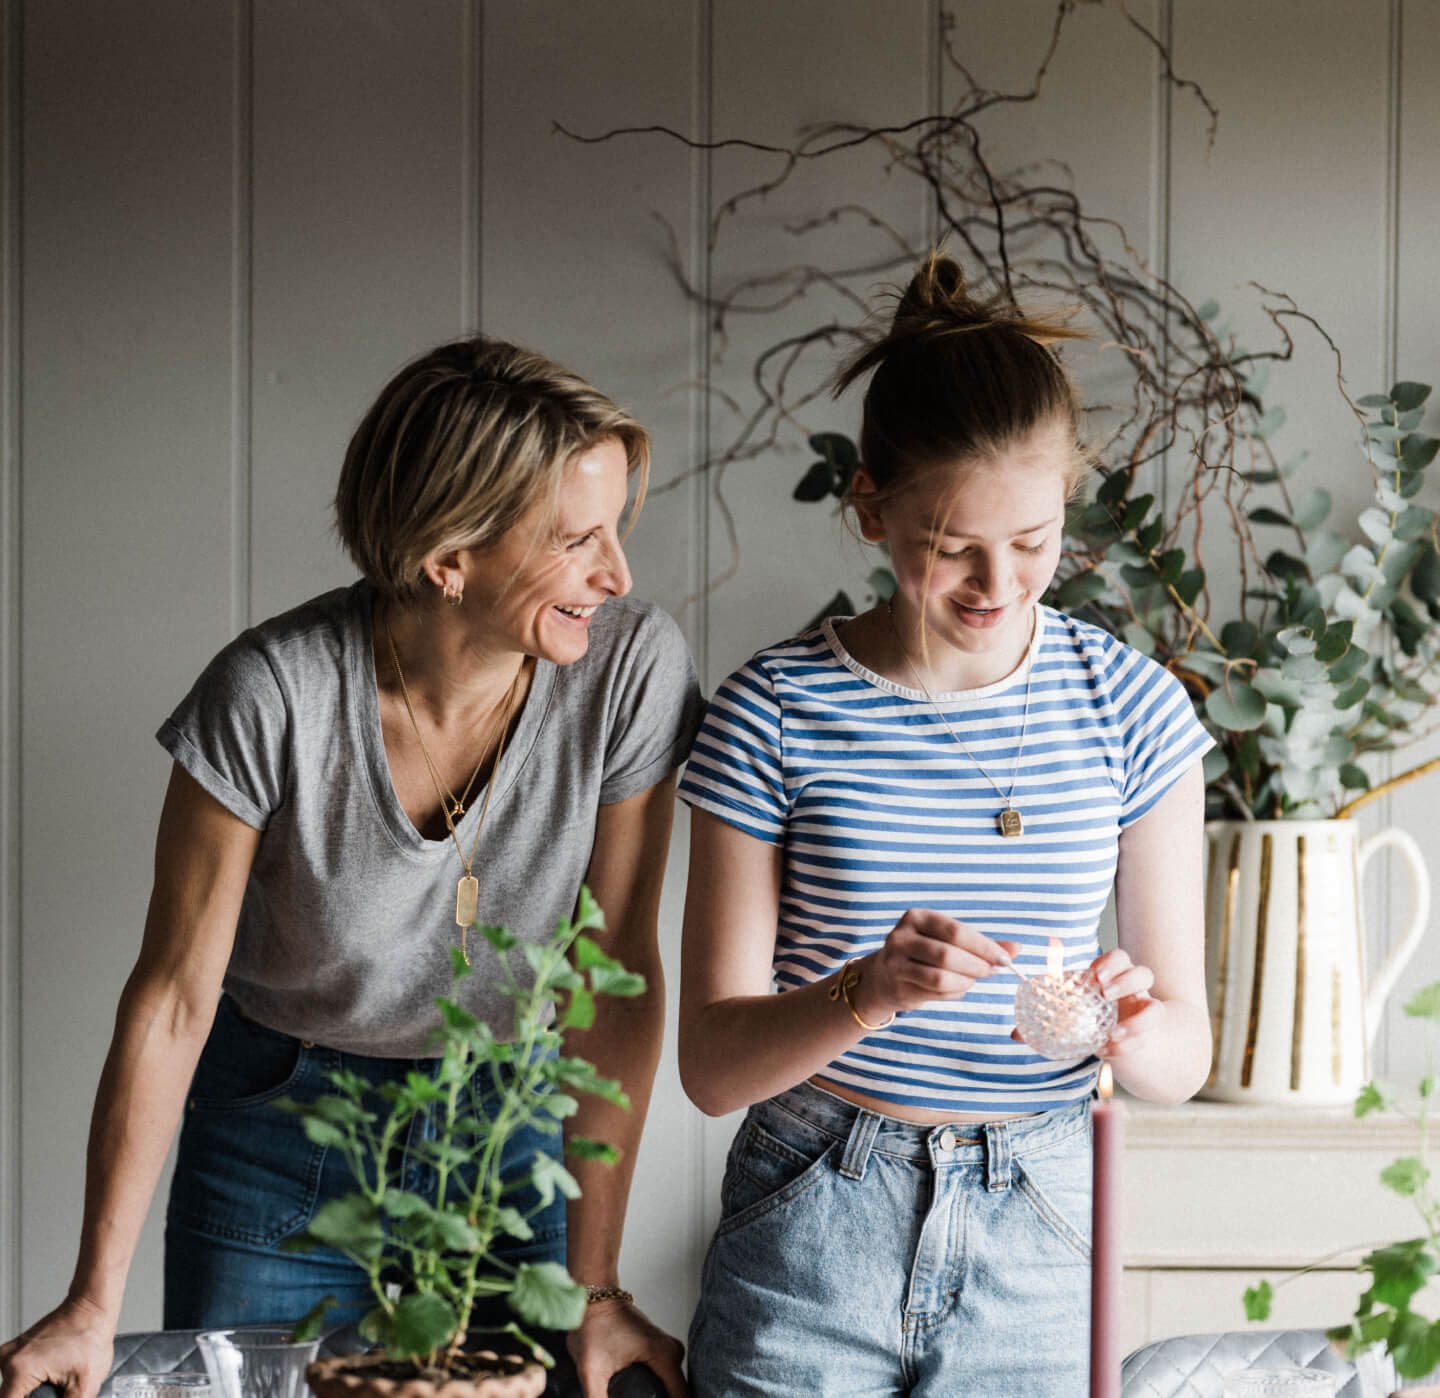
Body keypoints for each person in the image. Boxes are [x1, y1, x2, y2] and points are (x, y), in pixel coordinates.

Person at [0, 337, 702, 1398]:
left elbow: (615, 981)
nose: (618, 574)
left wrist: (596, 1290)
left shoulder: (630, 669)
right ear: (447, 556)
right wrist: (93, 1304)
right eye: (576, 541)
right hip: (282, 1127)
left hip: (502, 1129)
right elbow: (174, 1000)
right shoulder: (268, 696)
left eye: (616, 531)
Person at [676, 252, 1214, 1397]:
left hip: (1043, 1216)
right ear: (869, 508)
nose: (998, 585)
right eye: (951, 546)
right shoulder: (773, 710)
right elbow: (713, 1069)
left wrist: (1125, 1028)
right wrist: (863, 992)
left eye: (1035, 543)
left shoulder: (1131, 706)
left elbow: (1185, 1057)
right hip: (816, 1198)